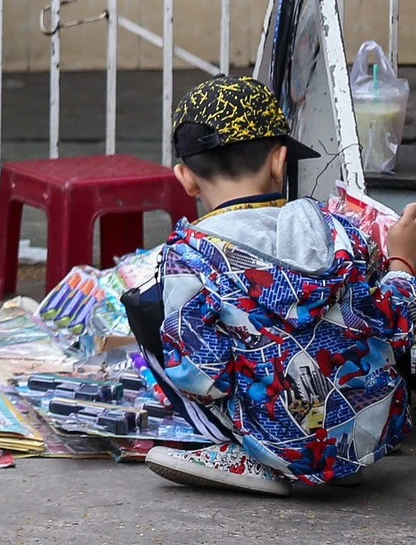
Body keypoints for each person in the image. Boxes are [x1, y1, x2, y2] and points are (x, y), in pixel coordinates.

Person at [143, 76, 416, 495]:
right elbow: (396, 323)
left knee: (148, 309)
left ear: (186, 178)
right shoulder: (339, 231)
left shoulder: (191, 254)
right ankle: (338, 458)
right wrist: (401, 261)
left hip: (276, 443)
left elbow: (201, 376)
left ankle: (248, 457)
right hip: (377, 432)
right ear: (279, 160)